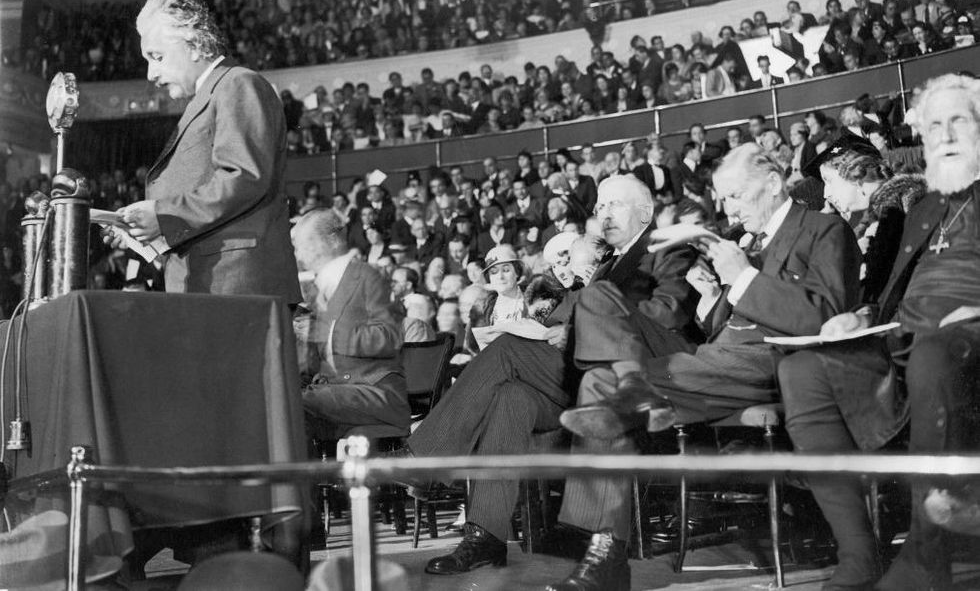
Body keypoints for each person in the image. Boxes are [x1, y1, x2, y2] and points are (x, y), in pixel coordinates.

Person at [548, 143, 861, 591]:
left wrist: (744, 278)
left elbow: (825, 316)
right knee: (600, 377)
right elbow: (723, 325)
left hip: (774, 362)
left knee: (604, 372)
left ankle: (607, 552)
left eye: (735, 195)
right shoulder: (742, 240)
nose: (728, 207)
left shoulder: (824, 229)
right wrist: (715, 294)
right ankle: (606, 552)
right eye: (724, 198)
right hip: (718, 362)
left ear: (773, 183)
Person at [398, 175, 698, 577]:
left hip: (640, 372)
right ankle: (485, 534)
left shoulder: (666, 250)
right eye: (600, 207)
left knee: (506, 352)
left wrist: (582, 329)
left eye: (614, 205)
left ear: (644, 212)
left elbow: (668, 314)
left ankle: (424, 459)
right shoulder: (605, 263)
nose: (603, 213)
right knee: (511, 397)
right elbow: (562, 319)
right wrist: (558, 327)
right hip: (581, 376)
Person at [779, 73, 980, 591]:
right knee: (801, 369)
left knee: (936, 352)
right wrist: (863, 315)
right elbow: (892, 289)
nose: (946, 136)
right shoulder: (925, 207)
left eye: (958, 121)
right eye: (935, 126)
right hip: (899, 341)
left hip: (959, 347)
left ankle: (925, 553)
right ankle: (858, 552)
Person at [114, 0, 299, 302]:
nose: (151, 74)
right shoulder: (209, 96)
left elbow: (244, 177)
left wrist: (163, 215)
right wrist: (147, 233)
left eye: (157, 57)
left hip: (237, 285)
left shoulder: (237, 84)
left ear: (195, 45)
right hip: (213, 283)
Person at [292, 209, 409, 440]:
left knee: (292, 405)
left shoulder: (368, 276)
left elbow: (390, 337)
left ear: (333, 240)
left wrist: (328, 335)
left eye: (306, 244)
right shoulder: (314, 289)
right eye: (296, 246)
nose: (299, 254)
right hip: (329, 389)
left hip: (373, 392)